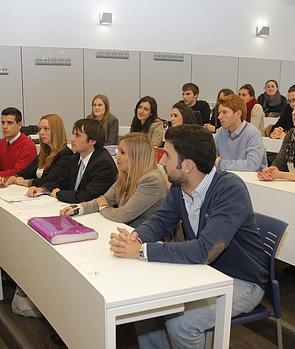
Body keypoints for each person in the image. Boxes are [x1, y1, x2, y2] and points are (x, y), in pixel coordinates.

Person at [108, 125, 268, 349]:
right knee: (143, 309)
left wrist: (143, 251)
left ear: (188, 166)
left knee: (181, 324)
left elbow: (205, 250)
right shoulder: (180, 186)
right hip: (203, 273)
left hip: (241, 281)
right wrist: (134, 237)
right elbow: (160, 221)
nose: (161, 162)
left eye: (167, 155)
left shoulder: (230, 189)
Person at [60, 132, 167, 228]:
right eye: (118, 151)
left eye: (122, 152)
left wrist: (103, 207)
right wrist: (78, 208)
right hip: (125, 232)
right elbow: (105, 199)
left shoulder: (152, 180)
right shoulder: (126, 175)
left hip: (146, 241)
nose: (117, 156)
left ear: (137, 156)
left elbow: (122, 215)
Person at [28, 118, 117, 203]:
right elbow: (62, 181)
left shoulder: (103, 163)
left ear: (92, 141)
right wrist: (43, 189)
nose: (72, 139)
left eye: (77, 135)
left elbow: (89, 195)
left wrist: (59, 194)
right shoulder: (76, 157)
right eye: (73, 134)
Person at [0, 113, 73, 189]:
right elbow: (26, 171)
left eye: (46, 129)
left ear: (56, 131)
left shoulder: (65, 154)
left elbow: (48, 180)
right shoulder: (45, 153)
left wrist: (23, 182)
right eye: (40, 129)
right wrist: (11, 178)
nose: (41, 133)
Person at [214, 94, 267, 171]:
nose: (219, 117)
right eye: (219, 113)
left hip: (250, 180)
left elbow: (252, 165)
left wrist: (221, 163)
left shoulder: (252, 134)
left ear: (238, 114)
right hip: (227, 178)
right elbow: (211, 159)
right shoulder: (220, 132)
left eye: (224, 112)